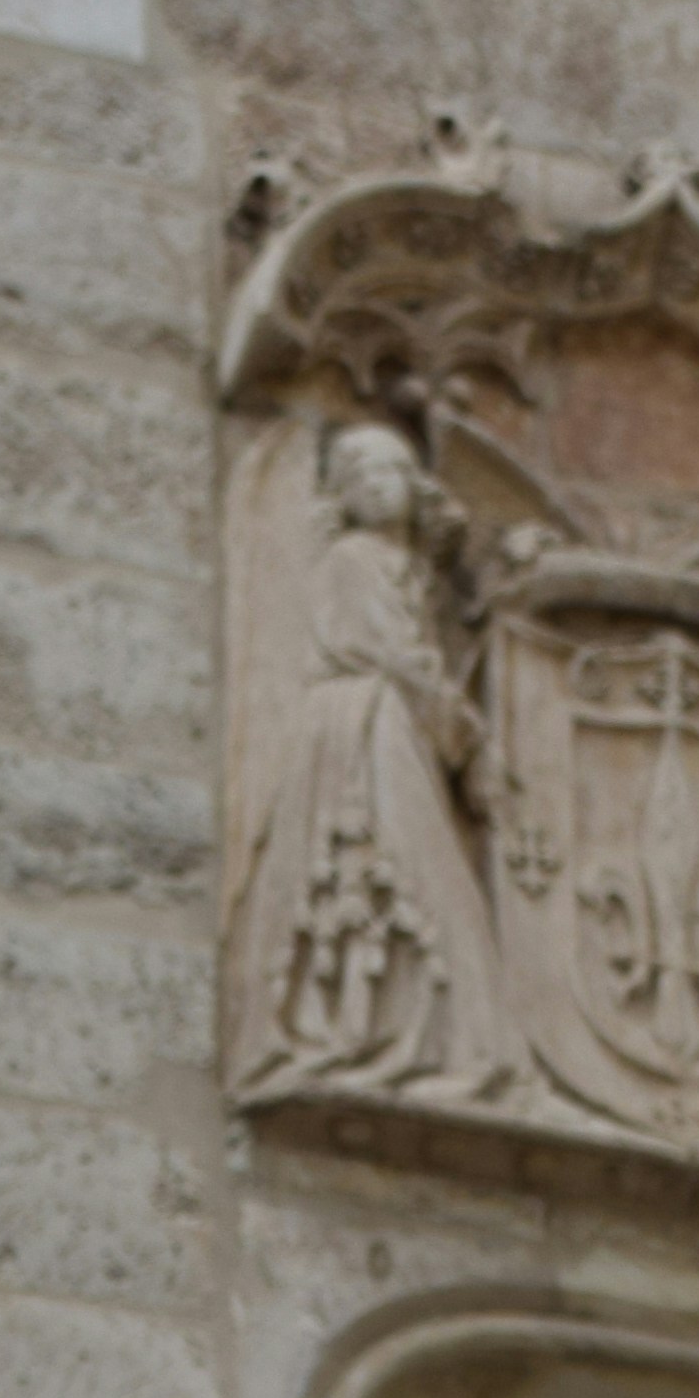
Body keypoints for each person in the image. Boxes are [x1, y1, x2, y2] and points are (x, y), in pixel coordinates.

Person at [225, 419, 516, 1107]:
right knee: (397, 862)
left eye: (393, 472)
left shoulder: (404, 568)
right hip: (364, 724)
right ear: (343, 497)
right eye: (362, 477)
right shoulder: (353, 558)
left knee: (409, 864)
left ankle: (410, 1031)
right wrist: (469, 741)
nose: (381, 487)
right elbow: (398, 658)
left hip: (394, 721)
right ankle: (376, 1032)